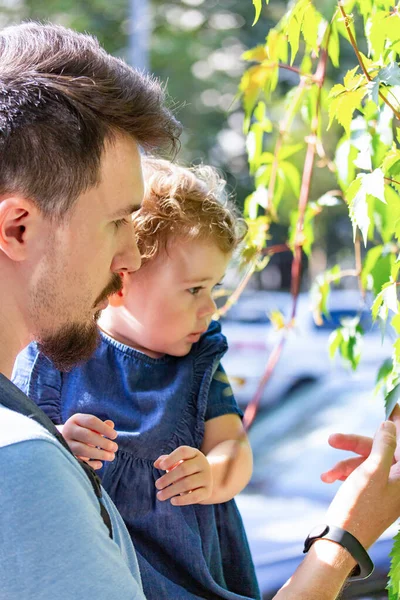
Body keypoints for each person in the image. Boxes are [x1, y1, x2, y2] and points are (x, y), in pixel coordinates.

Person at [1, 20, 400, 600]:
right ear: (17, 227)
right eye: (117, 221)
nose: (130, 255)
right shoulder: (25, 466)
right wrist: (345, 538)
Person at [13, 157, 261, 600]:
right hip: (100, 576)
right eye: (193, 289)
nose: (209, 308)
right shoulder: (57, 354)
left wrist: (213, 473)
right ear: (122, 283)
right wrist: (63, 447)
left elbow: (234, 445)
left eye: (214, 290)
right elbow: (27, 459)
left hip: (193, 578)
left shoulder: (199, 359)